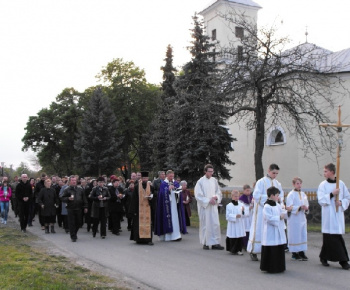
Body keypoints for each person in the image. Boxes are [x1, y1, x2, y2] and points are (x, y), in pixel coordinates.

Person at [248, 163, 284, 261]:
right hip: (261, 210)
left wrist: (279, 200)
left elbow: (281, 195)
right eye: (273, 173)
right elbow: (256, 196)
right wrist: (269, 199)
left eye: (276, 173)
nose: (275, 175)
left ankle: (269, 250)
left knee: (270, 231)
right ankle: (254, 251)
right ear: (268, 171)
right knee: (259, 229)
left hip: (273, 210)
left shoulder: (277, 183)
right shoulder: (261, 182)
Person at [317, 163, 350, 270]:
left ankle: (328, 257)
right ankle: (342, 260)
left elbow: (347, 197)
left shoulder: (341, 183)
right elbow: (321, 200)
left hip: (337, 214)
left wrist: (341, 202)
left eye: (326, 171)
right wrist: (332, 194)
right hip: (328, 215)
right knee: (328, 238)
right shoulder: (323, 185)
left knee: (336, 237)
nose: (324, 173)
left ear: (332, 172)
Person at [194, 164, 224, 250]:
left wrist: (216, 197)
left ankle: (215, 243)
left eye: (212, 171)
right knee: (206, 225)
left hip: (213, 206)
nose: (211, 173)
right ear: (205, 172)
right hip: (205, 207)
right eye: (209, 171)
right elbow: (198, 195)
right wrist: (208, 200)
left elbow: (218, 191)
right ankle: (206, 243)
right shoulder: (200, 182)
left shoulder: (214, 180)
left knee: (215, 224)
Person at [260, 186, 287, 273]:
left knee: (278, 247)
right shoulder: (267, 206)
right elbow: (268, 218)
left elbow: (282, 213)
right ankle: (270, 267)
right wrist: (279, 217)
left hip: (278, 230)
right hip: (270, 231)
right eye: (277, 195)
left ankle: (279, 266)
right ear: (271, 195)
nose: (278, 197)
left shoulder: (278, 205)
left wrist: (284, 212)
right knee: (271, 248)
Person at [155, 170, 187, 241]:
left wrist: (177, 190)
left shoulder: (176, 183)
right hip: (167, 206)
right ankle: (168, 236)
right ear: (167, 176)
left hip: (175, 205)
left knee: (175, 219)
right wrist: (168, 190)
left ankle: (176, 235)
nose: (171, 177)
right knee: (168, 219)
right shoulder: (163, 184)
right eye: (170, 176)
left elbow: (179, 192)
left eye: (172, 176)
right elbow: (161, 194)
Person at [128, 171, 154, 245]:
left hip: (148, 208)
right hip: (138, 209)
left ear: (148, 178)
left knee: (149, 224)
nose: (145, 179)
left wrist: (151, 198)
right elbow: (134, 199)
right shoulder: (136, 187)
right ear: (141, 178)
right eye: (144, 178)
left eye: (146, 178)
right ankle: (138, 239)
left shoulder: (151, 187)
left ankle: (149, 240)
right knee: (138, 224)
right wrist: (133, 211)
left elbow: (154, 196)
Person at [286, 177, 309, 261]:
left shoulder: (303, 194)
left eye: (300, 183)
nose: (299, 185)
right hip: (294, 219)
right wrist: (299, 207)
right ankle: (294, 253)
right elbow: (289, 207)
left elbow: (306, 204)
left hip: (302, 217)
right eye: (297, 183)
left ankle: (302, 252)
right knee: (295, 235)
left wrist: (306, 208)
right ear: (294, 184)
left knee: (302, 234)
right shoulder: (291, 194)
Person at [60, 176, 88, 242]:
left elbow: (84, 199)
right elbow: (62, 198)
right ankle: (73, 236)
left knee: (79, 222)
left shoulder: (80, 189)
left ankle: (74, 233)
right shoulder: (67, 189)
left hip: (79, 208)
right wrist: (68, 199)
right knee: (71, 223)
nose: (74, 181)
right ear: (70, 181)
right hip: (70, 208)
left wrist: (86, 206)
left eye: (75, 180)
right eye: (72, 180)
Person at [226, 190, 245, 255]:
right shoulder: (229, 205)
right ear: (232, 196)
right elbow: (227, 216)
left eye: (238, 196)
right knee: (233, 235)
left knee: (239, 236)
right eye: (235, 196)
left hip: (239, 223)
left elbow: (244, 214)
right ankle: (232, 249)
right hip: (233, 224)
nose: (237, 198)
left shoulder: (241, 204)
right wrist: (235, 216)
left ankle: (239, 249)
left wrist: (242, 211)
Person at [239, 184, 253, 251]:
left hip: (250, 217)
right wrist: (248, 209)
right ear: (244, 190)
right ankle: (244, 244)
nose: (248, 192)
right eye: (247, 191)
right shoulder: (241, 199)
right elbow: (241, 208)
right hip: (245, 218)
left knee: (250, 231)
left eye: (249, 190)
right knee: (245, 231)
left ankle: (249, 244)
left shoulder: (252, 197)